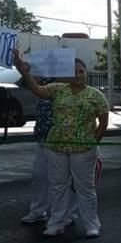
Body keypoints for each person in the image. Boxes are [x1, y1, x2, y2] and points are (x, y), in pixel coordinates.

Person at [14, 50, 109, 238]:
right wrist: (25, 72)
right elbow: (38, 91)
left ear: (86, 73)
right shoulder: (58, 89)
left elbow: (103, 122)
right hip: (56, 147)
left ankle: (91, 224)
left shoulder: (95, 95)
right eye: (74, 71)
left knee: (84, 187)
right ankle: (56, 222)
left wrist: (92, 142)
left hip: (83, 149)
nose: (78, 75)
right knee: (58, 186)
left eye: (81, 71)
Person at [19, 68, 79, 227]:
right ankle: (38, 210)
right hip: (44, 139)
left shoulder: (66, 90)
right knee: (39, 175)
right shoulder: (41, 89)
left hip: (64, 140)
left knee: (64, 179)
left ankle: (68, 213)